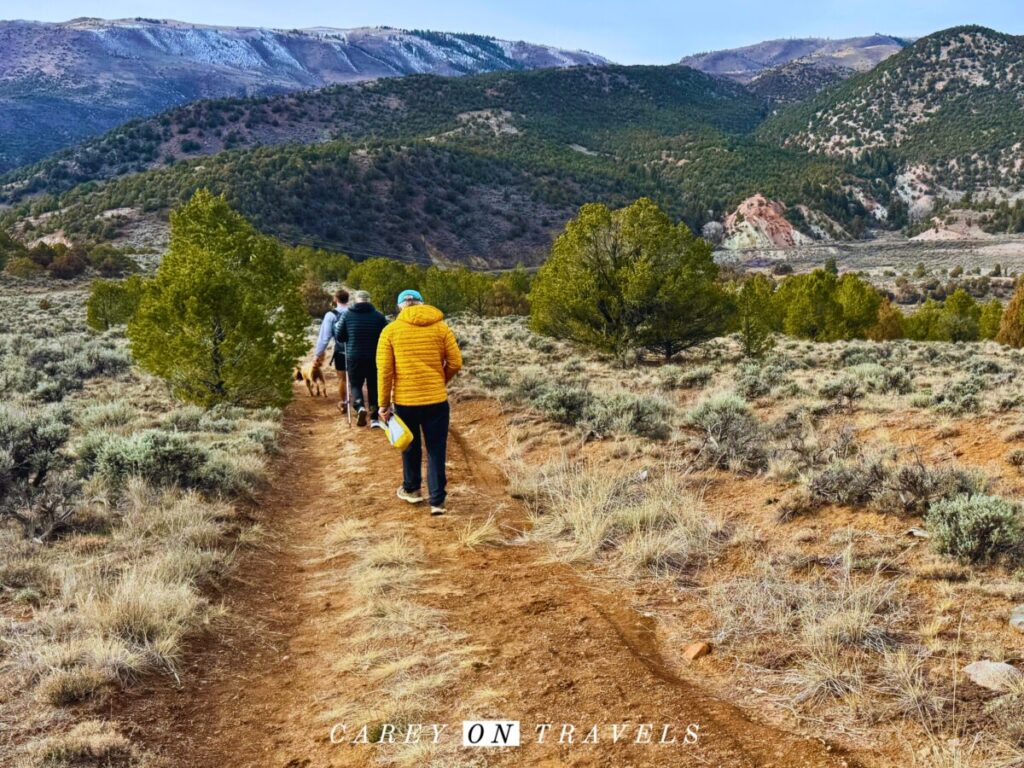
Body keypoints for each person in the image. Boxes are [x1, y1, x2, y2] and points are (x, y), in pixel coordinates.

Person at [377, 289, 463, 516]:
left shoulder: (390, 331)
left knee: (410, 446)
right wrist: (439, 380)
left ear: (399, 307)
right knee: (436, 449)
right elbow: (456, 361)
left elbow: (385, 372)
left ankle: (412, 490)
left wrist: (383, 405)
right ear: (422, 304)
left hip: (406, 401)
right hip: (436, 400)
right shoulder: (441, 327)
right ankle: (437, 502)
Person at [334, 290, 387, 427]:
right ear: (369, 300)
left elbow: (339, 336)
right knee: (373, 386)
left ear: (356, 300)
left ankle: (360, 407)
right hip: (374, 357)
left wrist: (350, 337)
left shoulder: (347, 315)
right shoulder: (378, 316)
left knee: (356, 384)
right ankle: (375, 418)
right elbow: (387, 335)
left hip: (354, 356)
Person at [313, 289, 349, 404]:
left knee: (342, 379)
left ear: (335, 299)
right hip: (358, 351)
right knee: (356, 380)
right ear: (348, 299)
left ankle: (344, 403)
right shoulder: (354, 312)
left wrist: (317, 355)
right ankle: (359, 405)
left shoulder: (331, 315)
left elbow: (324, 338)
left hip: (341, 352)